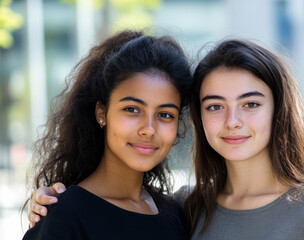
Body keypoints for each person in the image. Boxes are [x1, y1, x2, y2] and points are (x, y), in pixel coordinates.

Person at [27, 39, 304, 240]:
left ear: (279, 110)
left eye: (251, 104)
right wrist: (54, 206)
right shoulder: (189, 208)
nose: (233, 121)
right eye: (215, 105)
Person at [22, 30, 192, 239]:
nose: (149, 128)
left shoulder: (177, 216)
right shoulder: (64, 215)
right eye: (132, 109)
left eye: (165, 114)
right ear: (102, 113)